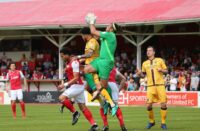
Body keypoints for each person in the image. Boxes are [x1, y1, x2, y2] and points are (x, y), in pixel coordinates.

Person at [84, 13, 120, 115]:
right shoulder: (106, 36)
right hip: (100, 60)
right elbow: (95, 35)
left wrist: (91, 22)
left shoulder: (110, 35)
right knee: (86, 70)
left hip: (106, 62)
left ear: (112, 29)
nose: (107, 26)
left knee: (103, 86)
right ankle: (99, 91)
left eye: (109, 25)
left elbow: (93, 31)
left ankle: (112, 103)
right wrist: (91, 24)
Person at [57, 48, 98, 131]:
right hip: (77, 86)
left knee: (61, 98)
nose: (62, 58)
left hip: (77, 86)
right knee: (83, 107)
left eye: (62, 56)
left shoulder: (74, 62)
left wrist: (64, 85)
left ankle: (75, 113)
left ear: (67, 54)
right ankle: (94, 125)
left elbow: (76, 78)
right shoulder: (70, 62)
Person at [137, 46, 168, 130]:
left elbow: (166, 70)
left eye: (150, 50)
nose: (148, 52)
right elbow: (143, 75)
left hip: (160, 85)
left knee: (164, 104)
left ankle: (163, 123)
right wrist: (139, 74)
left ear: (154, 52)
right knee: (148, 105)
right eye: (147, 51)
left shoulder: (160, 60)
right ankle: (151, 121)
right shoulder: (144, 63)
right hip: (150, 86)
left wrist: (161, 70)